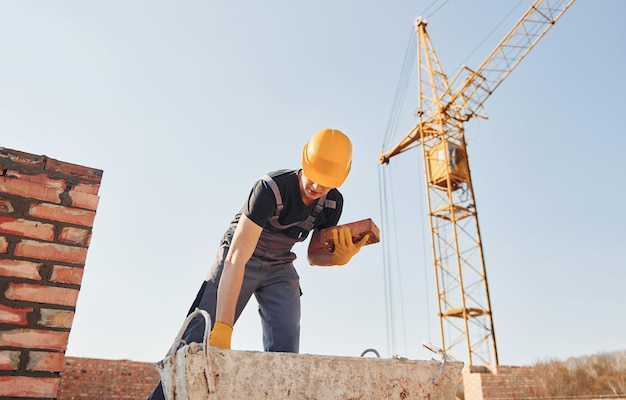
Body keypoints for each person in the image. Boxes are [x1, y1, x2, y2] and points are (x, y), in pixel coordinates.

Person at [147, 128, 369, 400]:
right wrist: (224, 328)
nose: (317, 187)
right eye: (314, 176)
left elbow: (313, 256)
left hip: (280, 266)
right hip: (240, 255)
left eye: (326, 181)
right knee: (197, 339)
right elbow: (237, 257)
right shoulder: (270, 188)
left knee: (286, 350)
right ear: (304, 161)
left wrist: (338, 257)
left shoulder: (332, 203)